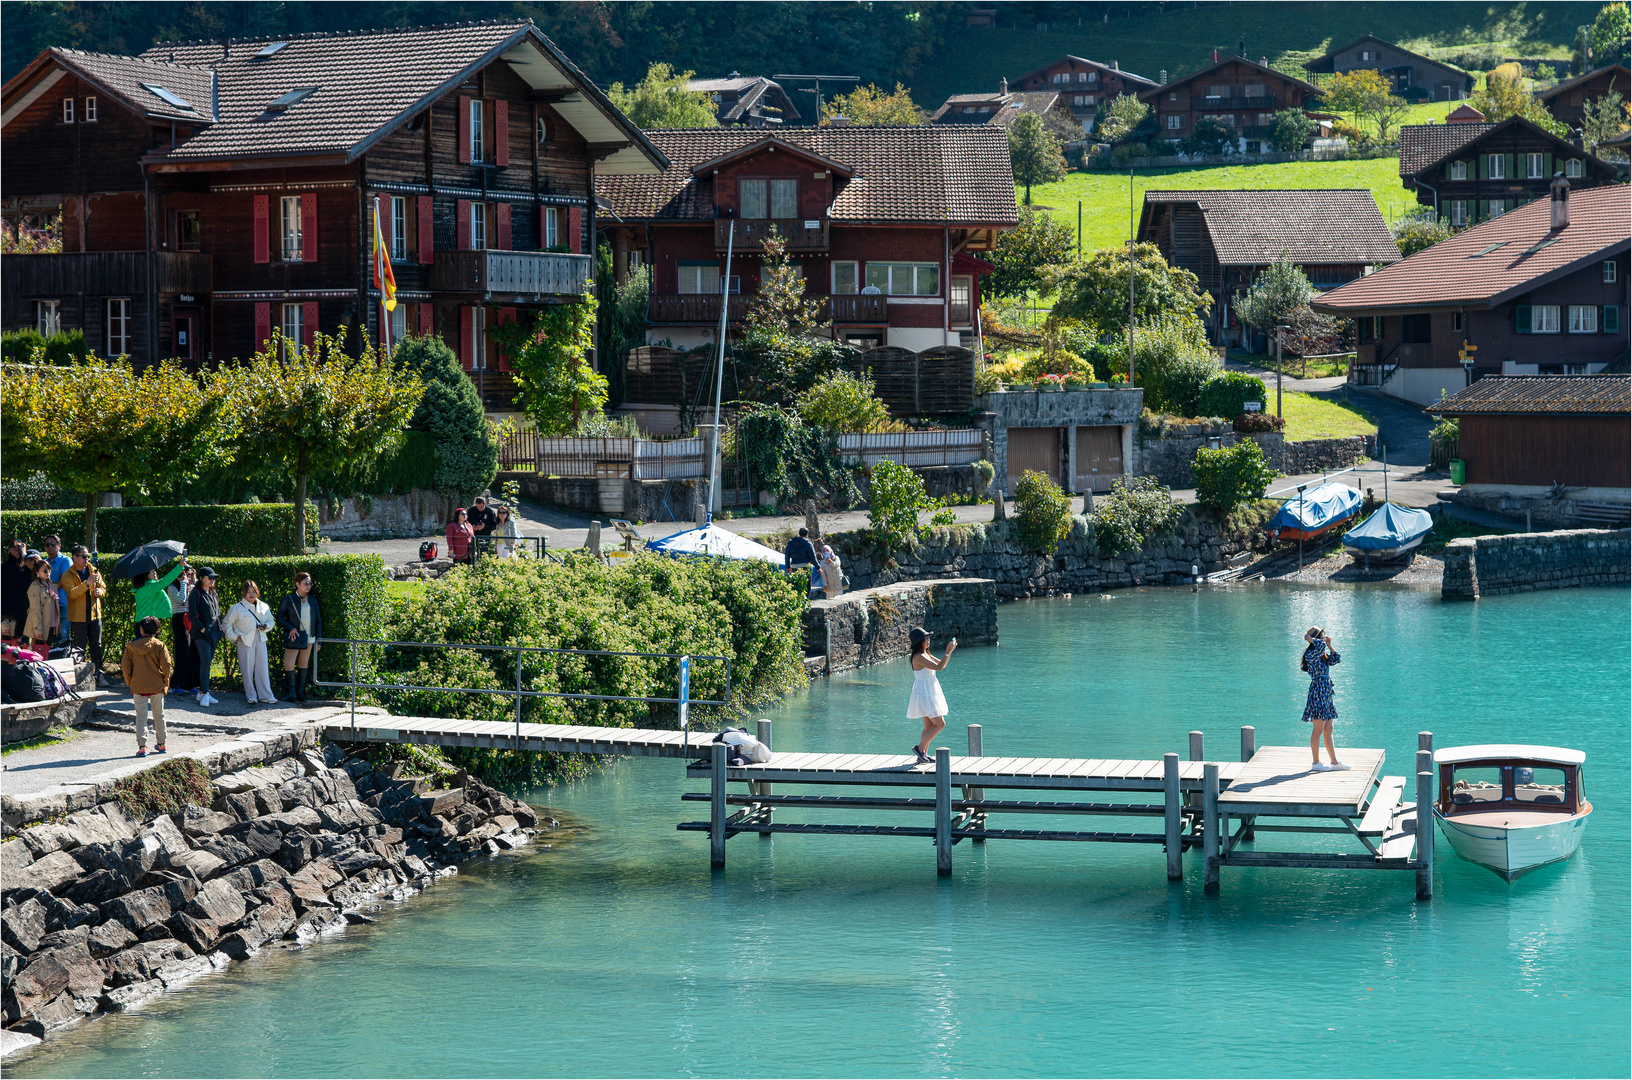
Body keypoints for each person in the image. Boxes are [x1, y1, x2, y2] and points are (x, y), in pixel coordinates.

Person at [120, 617, 171, 757]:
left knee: (141, 716)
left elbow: (125, 666)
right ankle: (162, 744)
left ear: (141, 629)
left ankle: (142, 747)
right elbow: (167, 665)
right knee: (159, 715)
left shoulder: (130, 647)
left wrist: (130, 682)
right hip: (156, 686)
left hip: (138, 685)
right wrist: (165, 682)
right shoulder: (160, 645)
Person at [907, 626, 956, 766]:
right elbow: (939, 667)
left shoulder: (925, 654)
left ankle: (922, 755)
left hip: (929, 692)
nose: (928, 641)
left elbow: (942, 665)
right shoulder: (919, 656)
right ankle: (919, 748)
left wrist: (949, 652)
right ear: (919, 642)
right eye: (926, 639)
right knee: (940, 724)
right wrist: (947, 650)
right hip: (925, 693)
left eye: (928, 638)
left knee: (929, 726)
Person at [1301, 626, 1348, 772]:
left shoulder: (1321, 653)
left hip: (1326, 692)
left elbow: (1337, 659)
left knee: (1329, 729)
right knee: (1318, 730)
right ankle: (1316, 763)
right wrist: (1309, 639)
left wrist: (1330, 645)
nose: (1324, 638)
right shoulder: (1312, 653)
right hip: (1318, 692)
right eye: (1322, 635)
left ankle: (1334, 762)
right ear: (1317, 637)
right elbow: (1319, 645)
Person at [60, 546, 108, 685]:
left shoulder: (93, 569)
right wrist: (86, 583)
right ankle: (79, 679)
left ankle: (99, 675)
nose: (87, 559)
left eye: (87, 556)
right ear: (74, 557)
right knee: (79, 647)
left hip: (94, 615)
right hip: (78, 617)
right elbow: (72, 593)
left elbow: (103, 586)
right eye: (84, 556)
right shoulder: (68, 575)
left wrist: (100, 591)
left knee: (97, 646)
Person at [224, 580, 276, 705]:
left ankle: (266, 695)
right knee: (247, 669)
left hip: (260, 638)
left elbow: (271, 621)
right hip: (245, 640)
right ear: (244, 593)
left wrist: (266, 626)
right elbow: (226, 623)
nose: (251, 594)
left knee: (262, 668)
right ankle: (251, 695)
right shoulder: (236, 608)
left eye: (253, 592)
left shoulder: (264, 606)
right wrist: (234, 637)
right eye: (248, 592)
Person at [276, 572, 323, 704]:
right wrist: (290, 627)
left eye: (310, 583)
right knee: (289, 664)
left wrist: (319, 639)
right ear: (297, 584)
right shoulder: (289, 599)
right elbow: (279, 617)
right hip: (295, 637)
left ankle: (299, 692)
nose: (308, 586)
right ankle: (291, 693)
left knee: (303, 664)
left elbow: (318, 620)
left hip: (309, 637)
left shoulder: (313, 600)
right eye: (305, 583)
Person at [187, 567, 224, 708]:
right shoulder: (196, 593)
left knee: (208, 662)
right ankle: (205, 693)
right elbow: (193, 616)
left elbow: (217, 613)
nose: (213, 580)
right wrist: (203, 629)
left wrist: (219, 627)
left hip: (214, 633)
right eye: (210, 577)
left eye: (214, 578)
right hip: (201, 634)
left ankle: (202, 692)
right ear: (201, 578)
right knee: (205, 662)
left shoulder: (213, 593)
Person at [166, 565, 199, 697]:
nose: (188, 577)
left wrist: (195, 581)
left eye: (190, 574)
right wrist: (183, 583)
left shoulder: (190, 586)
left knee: (191, 653)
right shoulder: (172, 587)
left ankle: (189, 684)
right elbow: (181, 600)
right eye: (186, 574)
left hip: (190, 620)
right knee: (182, 652)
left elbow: (200, 593)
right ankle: (174, 684)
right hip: (179, 619)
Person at [133, 558, 186, 635]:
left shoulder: (140, 588)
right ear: (145, 575)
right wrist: (180, 566)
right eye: (151, 571)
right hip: (147, 625)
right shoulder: (150, 586)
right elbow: (166, 580)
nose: (154, 573)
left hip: (140, 624)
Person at [22, 558, 55, 652]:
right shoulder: (34, 587)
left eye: (49, 569)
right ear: (37, 572)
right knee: (40, 654)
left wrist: (57, 624)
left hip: (51, 626)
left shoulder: (50, 585)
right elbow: (35, 610)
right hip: (41, 627)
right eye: (45, 570)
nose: (47, 572)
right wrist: (38, 630)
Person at [2, 539, 31, 638]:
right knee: (6, 641)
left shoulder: (25, 568)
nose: (18, 552)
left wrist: (24, 555)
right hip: (6, 611)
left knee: (21, 642)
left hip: (22, 611)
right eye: (16, 549)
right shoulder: (4, 567)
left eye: (20, 549)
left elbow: (28, 577)